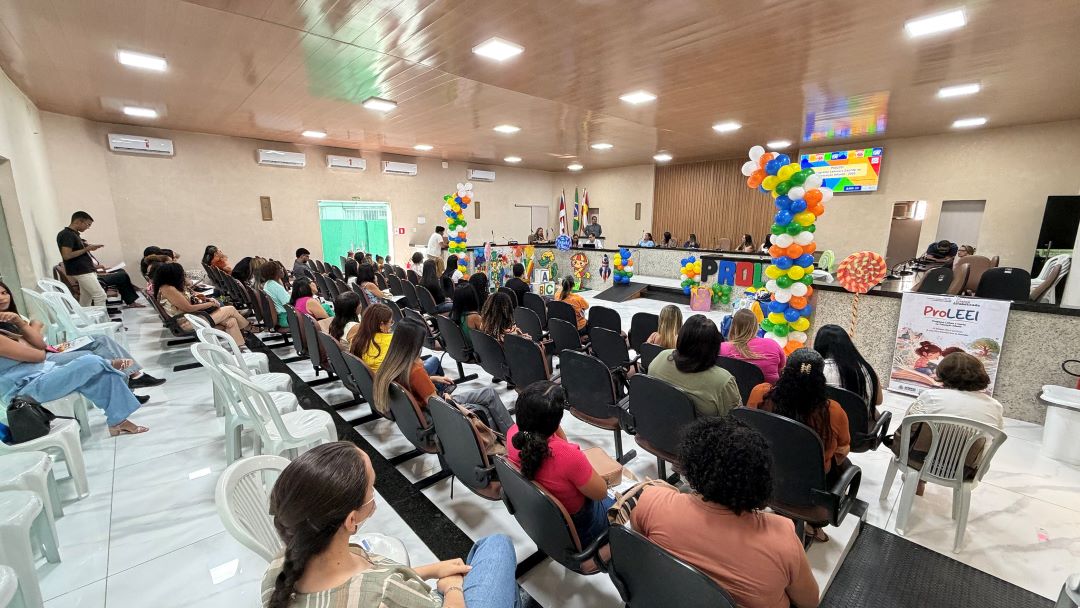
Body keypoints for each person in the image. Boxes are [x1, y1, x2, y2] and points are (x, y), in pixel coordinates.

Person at [262, 441, 519, 608]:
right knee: (496, 545)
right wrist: (451, 586)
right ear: (352, 520)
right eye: (371, 487)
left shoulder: (278, 571)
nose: (374, 492)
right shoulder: (383, 592)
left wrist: (433, 569)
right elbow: (378, 588)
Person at [632, 417, 820, 608]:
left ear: (692, 461)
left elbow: (641, 553)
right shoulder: (782, 539)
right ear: (761, 480)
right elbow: (810, 602)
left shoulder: (651, 502)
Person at [0, 280, 164, 396]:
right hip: (45, 361)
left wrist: (23, 324)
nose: (2, 298)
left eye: (4, 292)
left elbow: (37, 342)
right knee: (93, 357)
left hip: (51, 350)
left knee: (100, 340)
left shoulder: (12, 317)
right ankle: (129, 384)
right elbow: (38, 348)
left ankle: (134, 376)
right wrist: (32, 326)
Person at [0, 313, 150, 436]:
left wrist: (22, 326)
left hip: (44, 372)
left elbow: (39, 344)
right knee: (90, 361)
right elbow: (39, 354)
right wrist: (29, 339)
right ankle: (109, 363)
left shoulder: (6, 328)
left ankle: (118, 422)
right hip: (25, 391)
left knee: (101, 374)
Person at [507, 381, 614, 547]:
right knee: (632, 498)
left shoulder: (513, 435)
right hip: (583, 527)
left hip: (546, 519)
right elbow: (600, 493)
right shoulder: (568, 457)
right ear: (556, 421)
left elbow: (560, 444)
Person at [372, 319, 513, 433]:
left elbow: (409, 382)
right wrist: (447, 398)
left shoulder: (391, 363)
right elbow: (438, 405)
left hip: (422, 414)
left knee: (488, 394)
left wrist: (433, 378)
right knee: (489, 395)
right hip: (436, 413)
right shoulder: (415, 371)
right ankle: (514, 438)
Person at [888, 352, 1004, 488]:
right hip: (964, 471)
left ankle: (918, 481)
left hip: (917, 461)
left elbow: (909, 426)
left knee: (923, 432)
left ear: (943, 374)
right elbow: (993, 439)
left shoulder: (930, 397)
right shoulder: (995, 407)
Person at [746, 349, 849, 474]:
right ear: (821, 378)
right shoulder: (832, 411)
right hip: (809, 479)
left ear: (785, 371)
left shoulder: (761, 394)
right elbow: (842, 449)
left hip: (762, 468)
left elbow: (749, 426)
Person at [647, 315, 742, 417]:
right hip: (697, 432)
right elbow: (737, 420)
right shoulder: (723, 381)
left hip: (656, 424)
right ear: (715, 347)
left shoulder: (662, 356)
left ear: (681, 338)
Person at [155, 262, 251, 346]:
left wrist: (204, 299)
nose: (183, 276)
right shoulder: (169, 289)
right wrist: (210, 304)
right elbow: (189, 308)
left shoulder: (169, 287)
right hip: (186, 322)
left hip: (192, 318)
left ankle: (239, 348)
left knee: (231, 321)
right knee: (230, 309)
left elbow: (186, 303)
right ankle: (249, 327)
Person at [814, 324, 882, 413]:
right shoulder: (867, 369)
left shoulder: (817, 370)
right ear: (848, 345)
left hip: (825, 424)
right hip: (859, 424)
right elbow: (878, 401)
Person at [56, 211, 109, 307]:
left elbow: (78, 250)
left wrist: (89, 247)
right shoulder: (66, 234)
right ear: (79, 221)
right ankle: (100, 320)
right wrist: (86, 249)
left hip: (84, 269)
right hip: (81, 270)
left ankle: (86, 319)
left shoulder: (74, 234)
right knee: (100, 296)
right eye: (88, 224)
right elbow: (66, 255)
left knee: (86, 298)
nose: (88, 227)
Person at [721, 309, 786, 384]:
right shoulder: (772, 344)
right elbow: (782, 368)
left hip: (735, 393)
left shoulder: (722, 348)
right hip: (767, 393)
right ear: (756, 326)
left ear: (733, 326)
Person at [261, 263, 291, 328]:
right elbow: (289, 304)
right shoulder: (276, 287)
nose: (282, 269)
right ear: (275, 272)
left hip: (282, 317)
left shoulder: (268, 284)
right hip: (288, 318)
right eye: (281, 268)